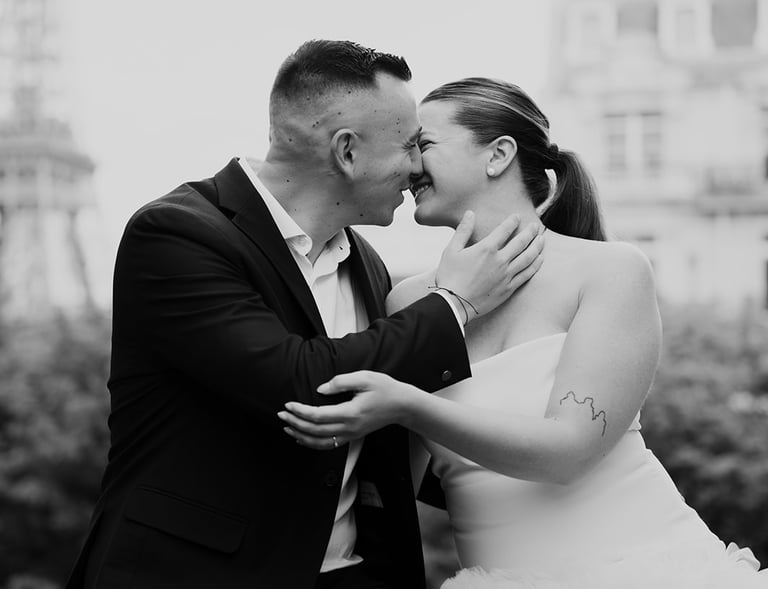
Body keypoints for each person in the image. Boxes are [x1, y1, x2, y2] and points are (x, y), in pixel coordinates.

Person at [64, 47, 546, 589]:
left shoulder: (367, 264)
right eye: (409, 145)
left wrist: (551, 473)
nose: (418, 167)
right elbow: (304, 384)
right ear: (347, 151)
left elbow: (385, 434)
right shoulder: (177, 235)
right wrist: (456, 302)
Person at [279, 77, 768, 588]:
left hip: (641, 569)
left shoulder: (610, 271)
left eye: (424, 144)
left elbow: (568, 452)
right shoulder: (409, 301)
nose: (410, 164)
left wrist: (407, 404)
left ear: (498, 155)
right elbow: (395, 479)